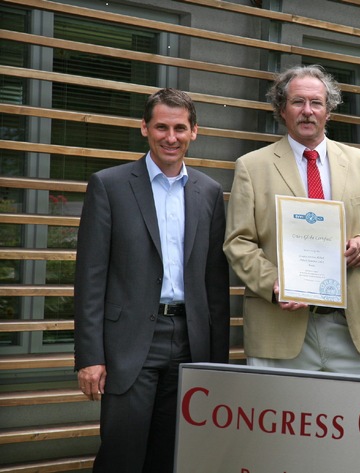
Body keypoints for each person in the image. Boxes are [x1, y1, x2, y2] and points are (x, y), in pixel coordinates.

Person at [74, 88, 231, 473]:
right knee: (121, 456)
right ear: (144, 128)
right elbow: (90, 277)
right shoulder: (109, 185)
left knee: (172, 455)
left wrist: (218, 363)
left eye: (180, 128)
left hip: (190, 343)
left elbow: (215, 284)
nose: (170, 137)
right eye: (161, 127)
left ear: (195, 131)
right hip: (128, 344)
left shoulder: (208, 193)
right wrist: (90, 356)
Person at [223, 64, 360, 375]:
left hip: (347, 324)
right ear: (282, 109)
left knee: (359, 416)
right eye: (297, 102)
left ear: (329, 110)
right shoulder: (252, 166)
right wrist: (274, 283)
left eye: (316, 103)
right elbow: (238, 241)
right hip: (279, 328)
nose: (307, 111)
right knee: (279, 421)